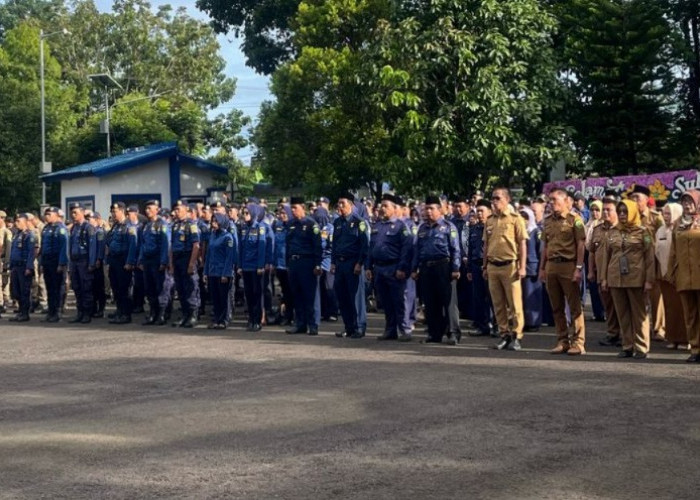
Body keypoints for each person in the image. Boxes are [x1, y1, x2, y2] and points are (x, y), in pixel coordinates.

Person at [600, 200, 655, 359]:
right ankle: (627, 346)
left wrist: (649, 280)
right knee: (622, 313)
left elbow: (650, 258)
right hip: (616, 278)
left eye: (625, 212)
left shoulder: (643, 232)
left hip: (636, 277)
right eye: (620, 212)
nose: (622, 215)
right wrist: (604, 278)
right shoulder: (612, 232)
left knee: (639, 313)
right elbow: (606, 257)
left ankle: (641, 347)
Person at [539, 188, 587, 355]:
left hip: (569, 265)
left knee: (574, 306)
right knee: (556, 306)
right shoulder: (547, 221)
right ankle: (562, 340)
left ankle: (579, 342)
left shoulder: (575, 220)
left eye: (555, 200)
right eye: (550, 200)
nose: (551, 203)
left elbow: (581, 244)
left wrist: (578, 268)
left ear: (566, 201)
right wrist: (542, 268)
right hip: (552, 265)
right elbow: (545, 246)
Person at [411, 195, 460, 344]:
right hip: (426, 268)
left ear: (439, 210)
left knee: (449, 302)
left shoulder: (448, 226)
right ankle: (434, 333)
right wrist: (414, 269)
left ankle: (453, 332)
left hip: (443, 266)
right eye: (426, 209)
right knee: (431, 302)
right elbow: (417, 250)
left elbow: (455, 249)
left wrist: (455, 268)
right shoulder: (422, 228)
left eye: (431, 208)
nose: (428, 212)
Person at [483, 188, 527, 350]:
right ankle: (504, 334)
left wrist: (522, 266)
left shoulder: (516, 219)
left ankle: (517, 335)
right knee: (498, 304)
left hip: (510, 266)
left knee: (515, 304)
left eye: (497, 198)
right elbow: (486, 245)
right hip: (493, 266)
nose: (494, 201)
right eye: (492, 198)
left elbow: (522, 243)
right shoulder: (489, 220)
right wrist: (484, 265)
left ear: (507, 199)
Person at [366, 194, 413, 341]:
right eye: (381, 206)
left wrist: (402, 268)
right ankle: (390, 330)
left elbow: (407, 250)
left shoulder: (401, 227)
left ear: (394, 208)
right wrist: (368, 267)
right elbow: (370, 248)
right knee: (385, 302)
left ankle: (404, 330)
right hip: (379, 269)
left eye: (386, 206)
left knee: (399, 301)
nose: (382, 209)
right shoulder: (376, 226)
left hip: (394, 268)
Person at [667, 190, 700, 362]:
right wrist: (671, 271)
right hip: (684, 276)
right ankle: (695, 349)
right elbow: (673, 250)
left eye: (690, 201)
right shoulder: (679, 223)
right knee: (690, 315)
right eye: (684, 202)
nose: (687, 205)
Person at [332, 193, 370, 339]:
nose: (340, 206)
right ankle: (349, 326)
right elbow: (334, 244)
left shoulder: (359, 222)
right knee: (342, 296)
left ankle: (360, 327)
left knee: (356, 297)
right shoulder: (337, 222)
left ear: (351, 205)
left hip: (353, 263)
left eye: (342, 203)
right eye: (338, 204)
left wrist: (360, 263)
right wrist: (333, 263)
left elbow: (364, 245)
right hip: (340, 264)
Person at [631, 185, 665, 341]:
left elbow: (663, 239)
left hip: (653, 261)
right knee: (638, 296)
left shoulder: (655, 217)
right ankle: (639, 328)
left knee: (656, 297)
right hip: (635, 262)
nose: (634, 200)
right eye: (632, 197)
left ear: (646, 199)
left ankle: (658, 329)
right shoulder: (630, 217)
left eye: (637, 197)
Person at [285, 197, 323, 335]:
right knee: (297, 294)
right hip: (294, 263)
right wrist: (287, 263)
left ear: (303, 208)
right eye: (292, 208)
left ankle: (313, 325)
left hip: (307, 262)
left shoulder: (311, 224)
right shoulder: (291, 224)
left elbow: (317, 246)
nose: (292, 210)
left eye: (295, 207)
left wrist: (318, 264)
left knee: (309, 295)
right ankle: (300, 323)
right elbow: (288, 245)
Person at [589, 197, 622, 346]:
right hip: (601, 273)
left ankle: (625, 334)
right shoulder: (597, 229)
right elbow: (592, 252)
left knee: (620, 305)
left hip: (618, 274)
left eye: (609, 210)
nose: (605, 212)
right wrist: (590, 271)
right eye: (604, 210)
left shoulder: (622, 229)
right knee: (607, 305)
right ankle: (612, 333)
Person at [655, 202, 687, 350]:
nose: (665, 216)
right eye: (664, 213)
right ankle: (673, 338)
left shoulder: (683, 230)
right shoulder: (660, 231)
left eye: (668, 213)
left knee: (683, 309)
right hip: (664, 277)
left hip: (680, 276)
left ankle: (686, 340)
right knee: (669, 309)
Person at [105, 202, 138, 324]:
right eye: (112, 211)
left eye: (115, 211)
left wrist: (129, 262)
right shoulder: (116, 226)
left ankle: (126, 314)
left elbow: (132, 245)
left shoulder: (129, 226)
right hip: (114, 260)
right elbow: (109, 242)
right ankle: (119, 311)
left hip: (123, 260)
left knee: (124, 288)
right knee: (116, 288)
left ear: (122, 211)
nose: (113, 214)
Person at [139, 200, 170, 325]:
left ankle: (162, 314)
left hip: (157, 259)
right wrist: (140, 259)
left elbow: (165, 244)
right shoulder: (146, 225)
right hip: (147, 260)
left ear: (157, 210)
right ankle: (153, 313)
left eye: (150, 208)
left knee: (161, 288)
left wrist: (163, 261)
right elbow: (143, 244)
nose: (147, 211)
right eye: (146, 208)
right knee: (149, 287)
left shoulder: (161, 224)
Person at [170, 200, 200, 328]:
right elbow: (172, 247)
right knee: (180, 288)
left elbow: (196, 245)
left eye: (178, 209)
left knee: (190, 287)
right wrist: (171, 264)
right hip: (177, 258)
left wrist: (191, 263)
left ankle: (193, 315)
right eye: (175, 209)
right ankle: (184, 314)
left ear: (186, 210)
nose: (175, 212)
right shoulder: (175, 225)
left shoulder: (191, 225)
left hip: (187, 257)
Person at [204, 213, 237, 329]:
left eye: (216, 221)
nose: (213, 223)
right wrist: (205, 272)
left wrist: (226, 273)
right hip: (213, 271)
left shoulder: (228, 237)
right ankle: (217, 319)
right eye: (212, 221)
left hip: (222, 272)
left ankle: (224, 320)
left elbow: (229, 257)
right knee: (215, 297)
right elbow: (208, 255)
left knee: (224, 297)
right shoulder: (212, 235)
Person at [237, 203, 267, 331]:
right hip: (246, 267)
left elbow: (261, 248)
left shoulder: (260, 228)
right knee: (248, 294)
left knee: (256, 293)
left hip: (256, 267)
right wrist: (240, 265)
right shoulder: (243, 228)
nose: (244, 216)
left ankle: (257, 320)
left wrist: (260, 265)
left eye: (247, 213)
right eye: (243, 213)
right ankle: (251, 319)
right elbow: (241, 249)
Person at [467, 200, 494, 336]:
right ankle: (482, 326)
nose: (479, 214)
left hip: (490, 266)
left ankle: (496, 327)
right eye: (477, 211)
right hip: (476, 265)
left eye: (482, 211)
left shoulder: (493, 228)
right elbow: (471, 250)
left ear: (490, 211)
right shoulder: (474, 229)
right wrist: (469, 270)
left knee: (493, 298)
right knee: (478, 297)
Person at [68, 202, 97, 323]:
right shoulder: (74, 228)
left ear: (83, 212)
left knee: (86, 289)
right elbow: (71, 247)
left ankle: (87, 313)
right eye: (72, 212)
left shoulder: (88, 227)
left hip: (84, 262)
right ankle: (79, 312)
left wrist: (91, 263)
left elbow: (92, 247)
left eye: (76, 212)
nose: (73, 215)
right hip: (75, 262)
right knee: (77, 288)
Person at [39, 206, 68, 323]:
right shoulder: (46, 228)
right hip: (47, 261)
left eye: (49, 214)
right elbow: (43, 248)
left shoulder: (60, 228)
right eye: (46, 214)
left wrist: (61, 263)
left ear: (56, 215)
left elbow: (63, 247)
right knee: (49, 287)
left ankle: (57, 311)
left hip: (56, 261)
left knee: (57, 287)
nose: (47, 216)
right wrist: (41, 263)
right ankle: (51, 311)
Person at [8, 213, 36, 322]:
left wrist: (29, 267)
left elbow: (31, 252)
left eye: (19, 221)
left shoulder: (29, 235)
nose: (16, 223)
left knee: (24, 291)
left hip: (23, 266)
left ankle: (25, 313)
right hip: (15, 266)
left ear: (25, 222)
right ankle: (20, 311)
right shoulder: (17, 234)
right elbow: (13, 251)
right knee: (16, 291)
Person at [520, 205, 543, 331]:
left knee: (533, 297)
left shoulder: (536, 231)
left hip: (533, 268)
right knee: (523, 297)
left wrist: (541, 269)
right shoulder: (521, 232)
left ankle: (534, 322)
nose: (524, 220)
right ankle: (525, 321)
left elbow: (541, 250)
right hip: (522, 268)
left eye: (526, 218)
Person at [272, 204, 294, 325]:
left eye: (284, 213)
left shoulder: (294, 226)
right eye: (280, 213)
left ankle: (294, 316)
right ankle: (286, 315)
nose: (282, 216)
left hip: (290, 265)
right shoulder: (278, 226)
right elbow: (275, 246)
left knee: (293, 292)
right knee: (285, 292)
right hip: (280, 265)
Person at [585, 200, 605, 322]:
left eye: (597, 210)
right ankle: (597, 312)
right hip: (590, 256)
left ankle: (605, 311)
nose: (594, 212)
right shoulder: (588, 224)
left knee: (602, 287)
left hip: (601, 257)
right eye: (592, 210)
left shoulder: (604, 225)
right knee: (593, 286)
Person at [89, 211, 107, 318]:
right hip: (91, 262)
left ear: (96, 219)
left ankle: (101, 309)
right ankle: (93, 308)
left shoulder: (100, 232)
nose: (88, 220)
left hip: (97, 263)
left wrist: (99, 259)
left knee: (99, 287)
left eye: (90, 218)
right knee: (92, 287)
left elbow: (101, 246)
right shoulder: (92, 231)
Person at [0, 210, 12, 316]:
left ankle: (4, 303)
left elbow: (8, 248)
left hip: (2, 260)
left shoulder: (6, 232)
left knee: (4, 283)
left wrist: (7, 262)